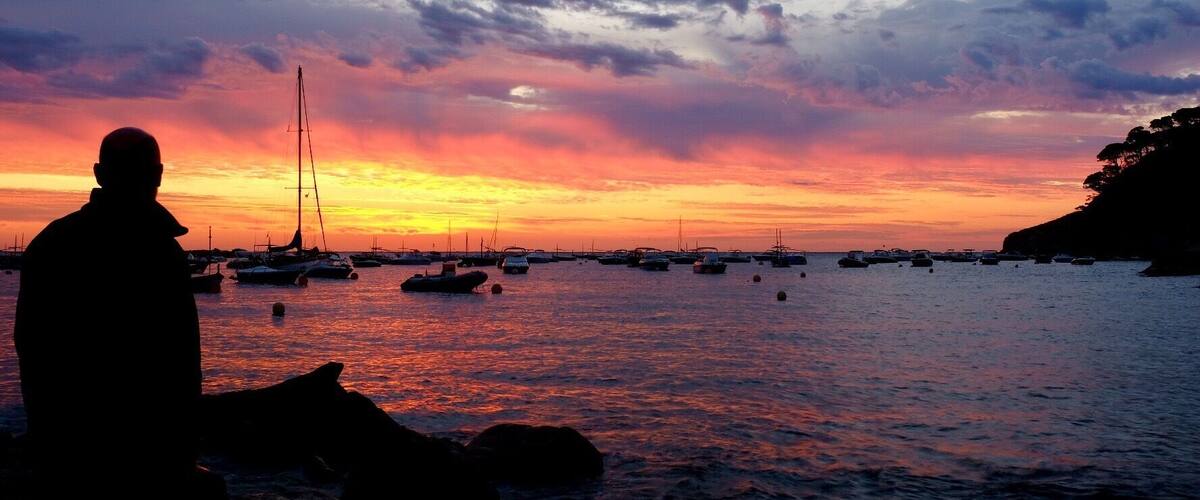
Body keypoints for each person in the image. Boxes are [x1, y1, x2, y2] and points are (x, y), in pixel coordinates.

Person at [13, 128, 222, 497]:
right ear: (158, 175)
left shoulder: (49, 244)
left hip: (64, 449)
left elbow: (31, 349)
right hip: (148, 455)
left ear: (98, 173)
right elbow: (182, 364)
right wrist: (183, 454)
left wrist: (46, 440)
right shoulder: (162, 253)